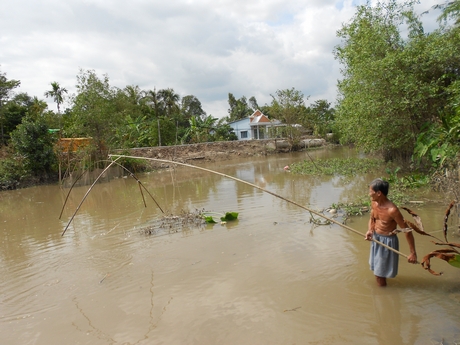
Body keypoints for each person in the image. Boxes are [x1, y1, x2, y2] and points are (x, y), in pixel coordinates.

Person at [364, 178, 417, 286]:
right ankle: (382, 295)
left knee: (379, 274)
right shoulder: (374, 203)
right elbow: (372, 219)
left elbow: (407, 231)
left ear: (379, 193)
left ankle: (382, 297)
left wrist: (412, 253)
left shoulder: (392, 210)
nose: (369, 194)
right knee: (377, 271)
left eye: (371, 191)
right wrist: (370, 230)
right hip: (376, 238)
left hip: (387, 242)